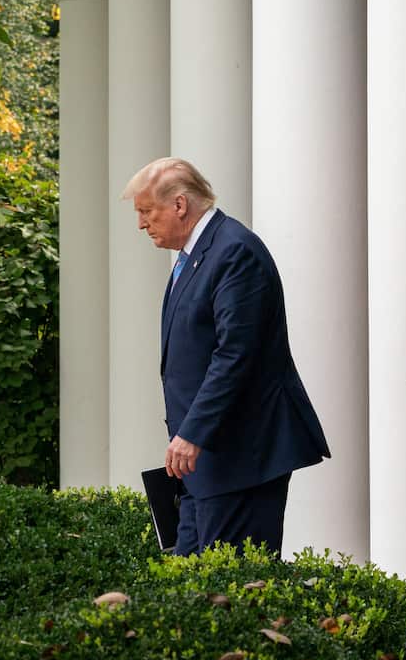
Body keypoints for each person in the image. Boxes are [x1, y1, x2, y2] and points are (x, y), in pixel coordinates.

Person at [124, 157, 329, 555]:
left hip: (240, 459)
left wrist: (193, 433)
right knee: (191, 593)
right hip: (205, 467)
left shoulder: (235, 251)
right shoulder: (199, 253)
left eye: (146, 211)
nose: (141, 224)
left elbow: (235, 355)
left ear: (179, 205)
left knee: (231, 596)